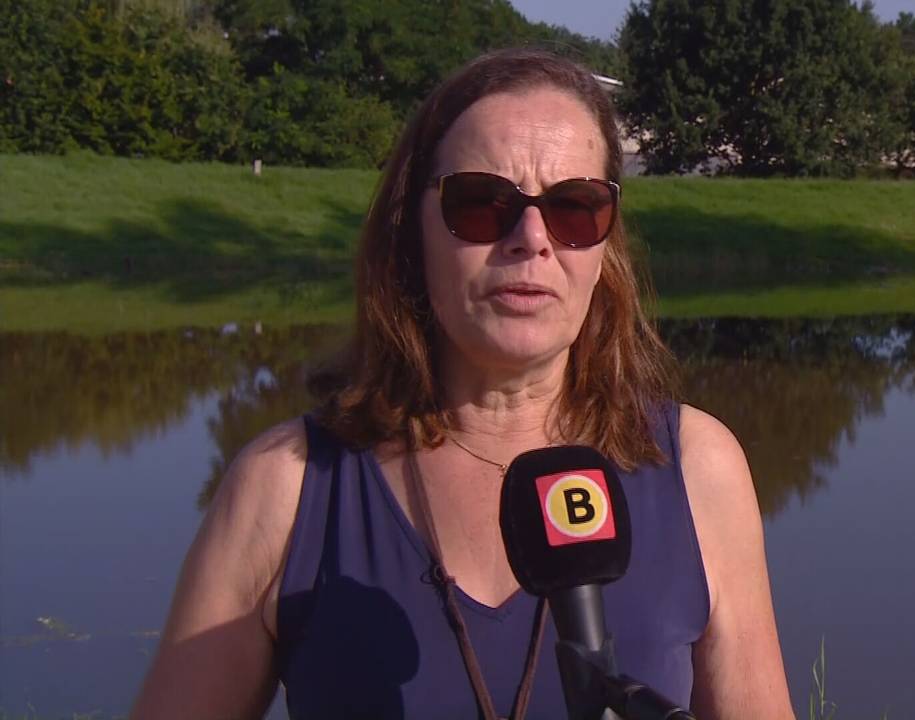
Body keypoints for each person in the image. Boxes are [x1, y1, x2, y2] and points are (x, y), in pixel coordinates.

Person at [132, 48, 793, 719]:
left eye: (574, 208)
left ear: (606, 248)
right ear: (409, 232)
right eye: (482, 204)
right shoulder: (284, 487)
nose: (532, 239)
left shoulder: (700, 470)